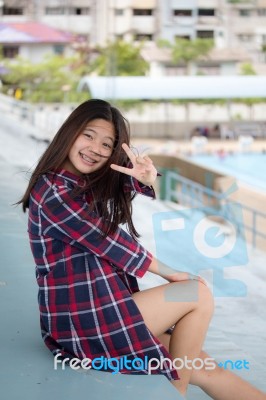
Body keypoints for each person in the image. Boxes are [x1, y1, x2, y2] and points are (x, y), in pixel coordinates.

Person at [18, 99, 265, 399]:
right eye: (89, 135)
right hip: (83, 322)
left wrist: (143, 181)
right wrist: (171, 274)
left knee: (206, 368)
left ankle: (179, 385)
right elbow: (104, 238)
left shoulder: (75, 184)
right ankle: (177, 391)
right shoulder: (53, 190)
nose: (96, 147)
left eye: (107, 143)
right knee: (196, 292)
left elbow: (110, 188)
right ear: (70, 132)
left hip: (99, 311)